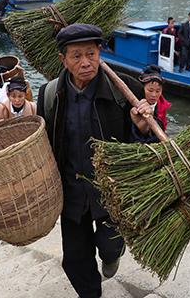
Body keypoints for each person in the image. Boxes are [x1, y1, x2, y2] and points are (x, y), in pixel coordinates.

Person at [36, 23, 152, 298]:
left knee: (110, 245)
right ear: (63, 59)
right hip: (71, 192)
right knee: (75, 259)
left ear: (100, 52)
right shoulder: (50, 95)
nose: (86, 62)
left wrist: (142, 128)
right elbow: (43, 145)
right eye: (76, 56)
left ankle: (113, 254)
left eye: (91, 53)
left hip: (111, 192)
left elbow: (145, 152)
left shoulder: (126, 90)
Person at [138, 65, 172, 133]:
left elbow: (163, 126)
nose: (154, 95)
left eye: (158, 91)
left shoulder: (162, 106)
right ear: (143, 88)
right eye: (150, 90)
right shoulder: (135, 104)